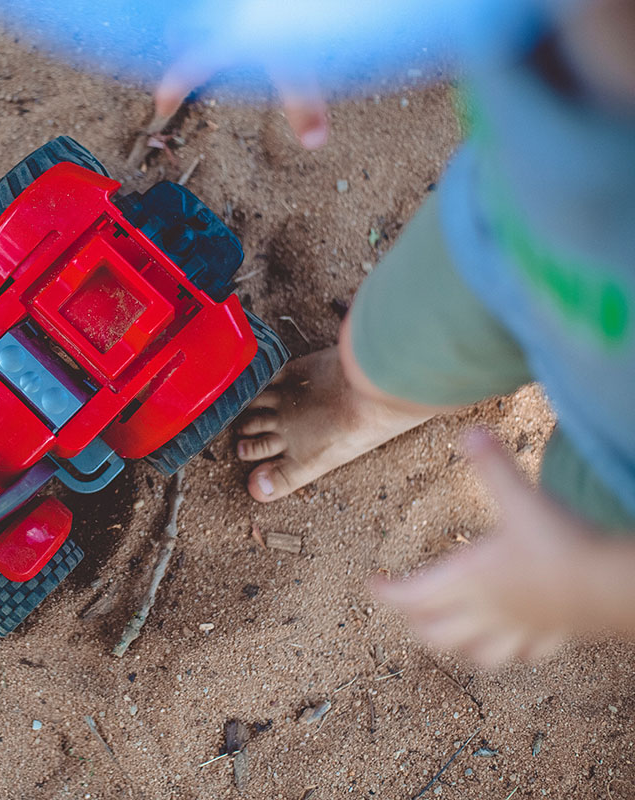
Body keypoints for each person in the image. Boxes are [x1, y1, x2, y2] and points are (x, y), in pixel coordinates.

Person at [157, 0, 635, 666]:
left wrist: (593, 586)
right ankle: (369, 404)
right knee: (392, 349)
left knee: (584, 517)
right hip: (510, 224)